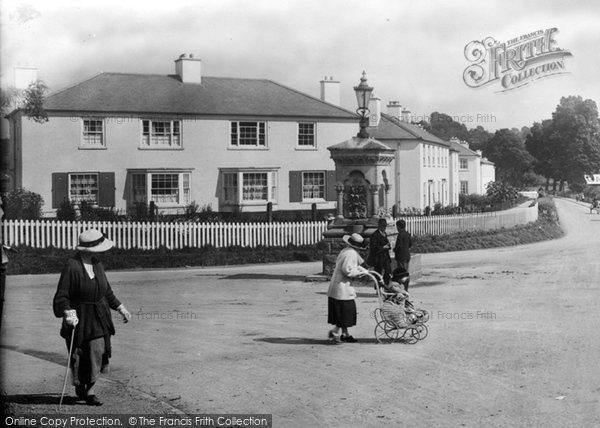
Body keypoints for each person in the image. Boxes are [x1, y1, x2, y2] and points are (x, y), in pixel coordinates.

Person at [53, 229, 131, 406]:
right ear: (88, 249)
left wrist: (121, 307)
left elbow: (107, 292)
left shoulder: (98, 264)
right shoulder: (71, 265)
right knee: (79, 354)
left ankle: (91, 391)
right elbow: (62, 295)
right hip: (79, 316)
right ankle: (81, 386)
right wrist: (67, 312)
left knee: (98, 350)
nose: (102, 251)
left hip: (98, 316)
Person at [327, 233, 369, 343]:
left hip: (339, 287)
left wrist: (363, 269)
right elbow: (348, 270)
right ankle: (339, 332)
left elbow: (355, 264)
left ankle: (341, 333)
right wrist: (360, 273)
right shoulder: (351, 253)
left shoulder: (346, 250)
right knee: (346, 311)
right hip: (342, 288)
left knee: (342, 312)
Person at [367, 218, 392, 284]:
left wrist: (388, 246)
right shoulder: (375, 235)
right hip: (378, 257)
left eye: (385, 226)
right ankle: (378, 287)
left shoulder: (384, 233)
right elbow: (373, 247)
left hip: (385, 256)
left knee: (388, 271)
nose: (384, 228)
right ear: (379, 226)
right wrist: (382, 247)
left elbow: (387, 243)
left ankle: (386, 285)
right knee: (378, 272)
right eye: (383, 226)